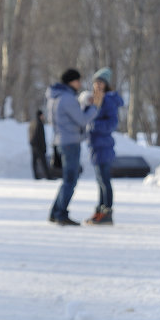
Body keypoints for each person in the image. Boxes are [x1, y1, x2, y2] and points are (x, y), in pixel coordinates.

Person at [46, 68, 102, 226]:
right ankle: (61, 214)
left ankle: (55, 212)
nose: (80, 83)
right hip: (70, 142)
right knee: (70, 180)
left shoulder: (55, 97)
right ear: (71, 81)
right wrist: (94, 107)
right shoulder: (67, 98)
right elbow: (82, 120)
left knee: (67, 179)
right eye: (78, 80)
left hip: (61, 141)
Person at [85, 67, 124, 225]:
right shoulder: (94, 99)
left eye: (101, 82)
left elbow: (112, 123)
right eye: (96, 82)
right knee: (100, 180)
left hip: (104, 145)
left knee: (105, 180)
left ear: (106, 85)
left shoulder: (108, 100)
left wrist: (93, 124)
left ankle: (107, 211)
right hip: (95, 145)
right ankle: (100, 209)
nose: (98, 85)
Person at [29, 109, 50, 179]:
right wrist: (43, 147)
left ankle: (36, 176)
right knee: (43, 162)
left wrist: (31, 143)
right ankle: (48, 176)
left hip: (33, 146)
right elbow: (40, 137)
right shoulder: (39, 124)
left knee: (34, 162)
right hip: (39, 147)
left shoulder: (32, 123)